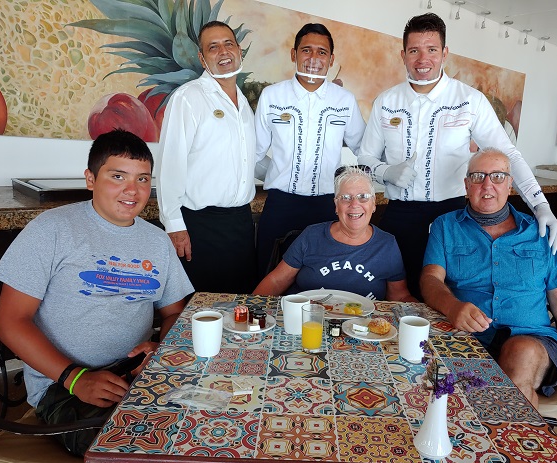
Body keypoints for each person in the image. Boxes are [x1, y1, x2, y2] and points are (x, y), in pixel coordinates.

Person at [0, 130, 195, 463]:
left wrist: (160, 349)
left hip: (135, 373)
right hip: (63, 387)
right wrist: (76, 379)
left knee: (218, 417)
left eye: (142, 179)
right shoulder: (51, 230)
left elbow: (174, 312)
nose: (132, 190)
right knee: (160, 453)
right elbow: (10, 321)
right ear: (90, 179)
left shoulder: (157, 241)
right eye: (118, 176)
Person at [357, 12, 557, 298]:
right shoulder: (386, 101)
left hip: (451, 216)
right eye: (414, 50)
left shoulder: (469, 100)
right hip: (399, 215)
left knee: (445, 297)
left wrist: (540, 204)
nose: (423, 59)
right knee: (393, 295)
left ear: (444, 53)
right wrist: (385, 172)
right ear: (403, 55)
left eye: (431, 50)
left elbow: (508, 155)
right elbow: (364, 159)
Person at [419, 148, 557, 408]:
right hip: (466, 338)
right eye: (478, 176)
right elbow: (430, 279)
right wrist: (453, 307)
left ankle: (509, 431)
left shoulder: (539, 232)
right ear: (466, 185)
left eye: (498, 176)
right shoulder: (446, 226)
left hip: (532, 341)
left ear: (510, 185)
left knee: (520, 353)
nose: (487, 184)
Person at [254, 23, 366, 279]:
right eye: (306, 50)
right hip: (281, 205)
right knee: (269, 276)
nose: (314, 58)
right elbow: (254, 153)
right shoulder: (272, 96)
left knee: (322, 278)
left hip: (327, 205)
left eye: (322, 52)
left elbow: (364, 148)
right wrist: (275, 172)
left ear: (331, 59)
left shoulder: (344, 100)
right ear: (294, 54)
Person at [157, 20, 256, 294]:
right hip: (201, 225)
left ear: (239, 51)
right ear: (202, 58)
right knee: (201, 308)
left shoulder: (243, 102)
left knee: (239, 304)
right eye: (213, 47)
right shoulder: (188, 98)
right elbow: (169, 164)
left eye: (228, 44)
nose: (223, 51)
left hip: (241, 223)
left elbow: (249, 158)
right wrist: (174, 225)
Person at [254, 166, 415, 302]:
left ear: (373, 204)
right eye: (346, 198)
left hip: (363, 326)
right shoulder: (311, 235)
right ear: (336, 206)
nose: (354, 204)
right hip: (306, 321)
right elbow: (276, 281)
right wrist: (251, 309)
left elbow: (399, 296)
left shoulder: (387, 244)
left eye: (363, 197)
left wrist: (424, 318)